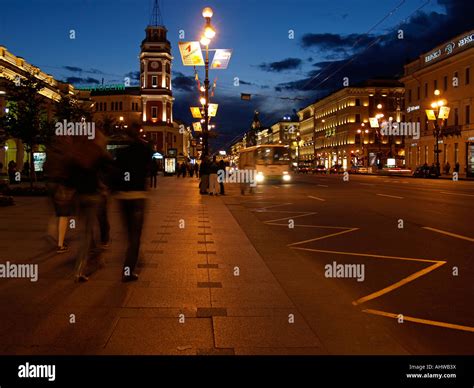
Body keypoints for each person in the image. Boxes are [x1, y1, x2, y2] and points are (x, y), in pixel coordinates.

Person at [113, 128, 152, 282]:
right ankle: (128, 270)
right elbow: (148, 169)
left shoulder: (121, 152)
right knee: (135, 236)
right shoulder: (144, 150)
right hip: (138, 196)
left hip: (123, 197)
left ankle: (133, 257)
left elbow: (115, 171)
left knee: (129, 232)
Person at [44, 137, 76, 254]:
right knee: (63, 214)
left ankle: (51, 232)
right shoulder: (66, 154)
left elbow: (45, 167)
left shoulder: (51, 153)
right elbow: (71, 170)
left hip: (51, 183)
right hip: (62, 185)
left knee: (56, 211)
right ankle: (60, 244)